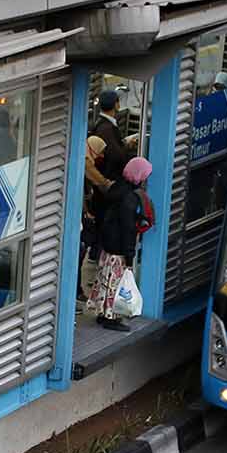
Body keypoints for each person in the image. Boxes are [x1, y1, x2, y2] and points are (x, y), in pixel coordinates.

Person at [87, 156, 153, 331]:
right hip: (118, 247)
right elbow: (128, 228)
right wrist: (130, 254)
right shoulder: (130, 197)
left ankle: (102, 313)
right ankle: (111, 317)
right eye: (145, 175)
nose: (145, 179)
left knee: (105, 279)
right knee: (115, 283)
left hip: (107, 243)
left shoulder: (117, 188)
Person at [79, 135, 112, 303]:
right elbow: (99, 181)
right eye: (100, 152)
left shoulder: (86, 157)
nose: (102, 156)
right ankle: (80, 290)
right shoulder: (85, 161)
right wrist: (110, 185)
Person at [90, 90, 131, 183]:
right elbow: (116, 155)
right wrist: (127, 147)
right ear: (116, 105)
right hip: (110, 178)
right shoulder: (106, 128)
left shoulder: (103, 124)